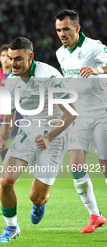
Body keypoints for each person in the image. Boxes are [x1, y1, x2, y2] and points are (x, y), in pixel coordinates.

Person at [0, 37, 77, 243]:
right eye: (11, 59)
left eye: (18, 59)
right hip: (28, 131)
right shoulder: (11, 80)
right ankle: (11, 228)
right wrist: (2, 138)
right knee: (6, 182)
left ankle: (40, 203)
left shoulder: (49, 76)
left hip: (55, 135)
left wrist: (49, 137)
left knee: (35, 197)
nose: (13, 64)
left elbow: (71, 113)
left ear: (30, 57)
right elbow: (9, 116)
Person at [55, 9, 107, 233]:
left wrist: (96, 70)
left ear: (77, 28)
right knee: (76, 166)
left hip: (102, 113)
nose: (61, 34)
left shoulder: (94, 47)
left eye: (65, 29)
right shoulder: (60, 53)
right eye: (58, 30)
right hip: (79, 116)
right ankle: (95, 215)